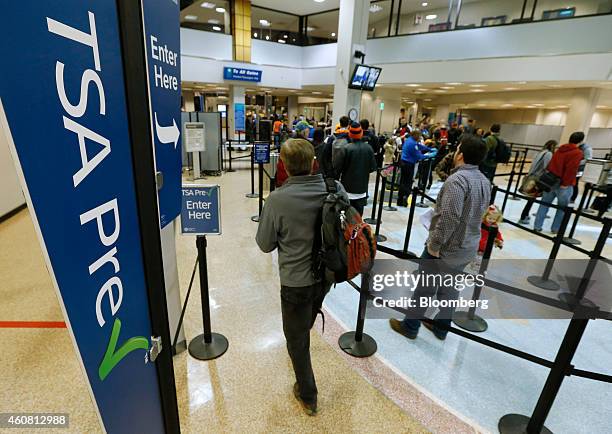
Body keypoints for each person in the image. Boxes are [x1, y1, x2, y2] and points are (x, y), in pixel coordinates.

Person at [256, 138, 346, 416]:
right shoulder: (334, 188)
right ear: (313, 163)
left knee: (296, 340)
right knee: (307, 314)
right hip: (328, 274)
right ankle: (305, 323)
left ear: (283, 165)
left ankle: (308, 394)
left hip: (296, 282)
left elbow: (265, 243)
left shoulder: (278, 200)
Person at [389, 135, 491, 340]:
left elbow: (450, 217)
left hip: (445, 248)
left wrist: (435, 245)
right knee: (450, 289)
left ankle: (410, 326)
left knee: (424, 288)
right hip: (467, 247)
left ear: (460, 154)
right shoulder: (484, 181)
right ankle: (441, 328)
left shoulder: (457, 180)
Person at [534, 132, 584, 234]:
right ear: (581, 141)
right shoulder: (577, 153)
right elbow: (571, 169)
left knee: (544, 204)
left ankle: (537, 226)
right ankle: (555, 229)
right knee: (562, 208)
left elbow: (551, 164)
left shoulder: (559, 149)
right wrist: (566, 183)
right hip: (564, 184)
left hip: (551, 181)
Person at [337, 122, 377, 215]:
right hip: (362, 189)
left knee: (346, 218)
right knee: (358, 218)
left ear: (350, 134)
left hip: (347, 190)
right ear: (361, 133)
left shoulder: (346, 148)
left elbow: (339, 168)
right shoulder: (369, 148)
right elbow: (372, 168)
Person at [518, 140, 557, 224]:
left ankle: (525, 215)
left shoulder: (541, 152)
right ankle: (523, 216)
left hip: (532, 176)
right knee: (531, 198)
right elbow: (547, 166)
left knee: (530, 198)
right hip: (538, 178)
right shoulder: (549, 154)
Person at [397, 130, 433, 207]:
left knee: (403, 181)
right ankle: (404, 199)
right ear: (415, 135)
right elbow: (418, 155)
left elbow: (419, 146)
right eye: (419, 136)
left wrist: (427, 149)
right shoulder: (412, 144)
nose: (420, 138)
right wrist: (429, 155)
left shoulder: (409, 140)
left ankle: (400, 199)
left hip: (403, 162)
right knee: (408, 182)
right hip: (408, 165)